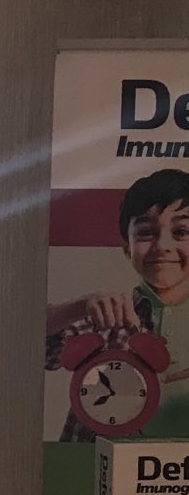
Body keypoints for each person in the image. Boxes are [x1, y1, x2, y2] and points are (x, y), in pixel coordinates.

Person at [45, 168, 189, 439]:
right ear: (126, 248)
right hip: (95, 460)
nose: (162, 246)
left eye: (181, 231)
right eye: (146, 232)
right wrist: (80, 305)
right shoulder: (108, 316)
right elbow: (35, 343)